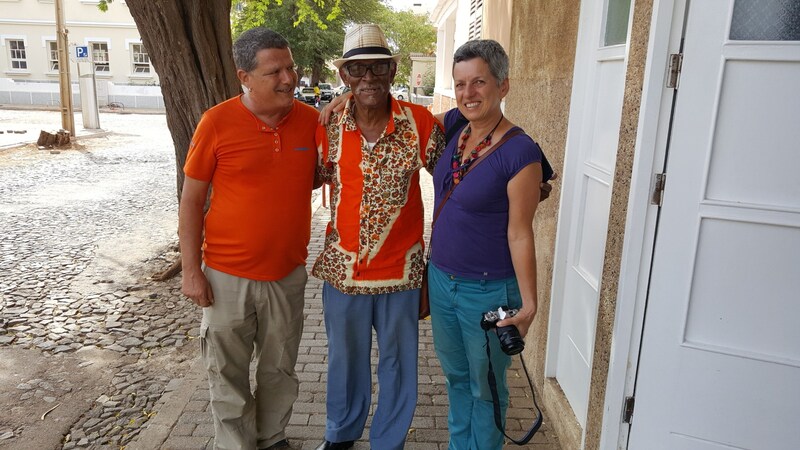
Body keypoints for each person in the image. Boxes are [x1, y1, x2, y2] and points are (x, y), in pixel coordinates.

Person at [178, 27, 319, 450]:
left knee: (280, 368)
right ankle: (236, 445)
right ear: (244, 76)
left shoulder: (312, 123)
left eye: (290, 66)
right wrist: (191, 271)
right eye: (275, 70)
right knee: (227, 372)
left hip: (286, 275)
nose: (289, 78)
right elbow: (191, 201)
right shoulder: (216, 122)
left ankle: (272, 437)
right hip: (225, 277)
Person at [312, 23, 445, 450]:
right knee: (344, 361)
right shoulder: (327, 126)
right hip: (343, 271)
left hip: (401, 273)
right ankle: (342, 434)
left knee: (399, 363)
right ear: (344, 76)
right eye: (357, 70)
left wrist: (527, 169)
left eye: (378, 68)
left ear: (392, 70)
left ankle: (389, 441)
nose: (368, 78)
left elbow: (456, 176)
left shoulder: (420, 123)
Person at [428, 39, 542, 450]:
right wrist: (343, 102)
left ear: (503, 86)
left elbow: (520, 232)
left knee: (486, 388)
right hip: (442, 282)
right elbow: (404, 119)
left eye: (479, 82)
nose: (467, 93)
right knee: (457, 380)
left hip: (488, 291)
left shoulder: (520, 153)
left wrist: (529, 305)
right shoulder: (458, 125)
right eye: (460, 84)